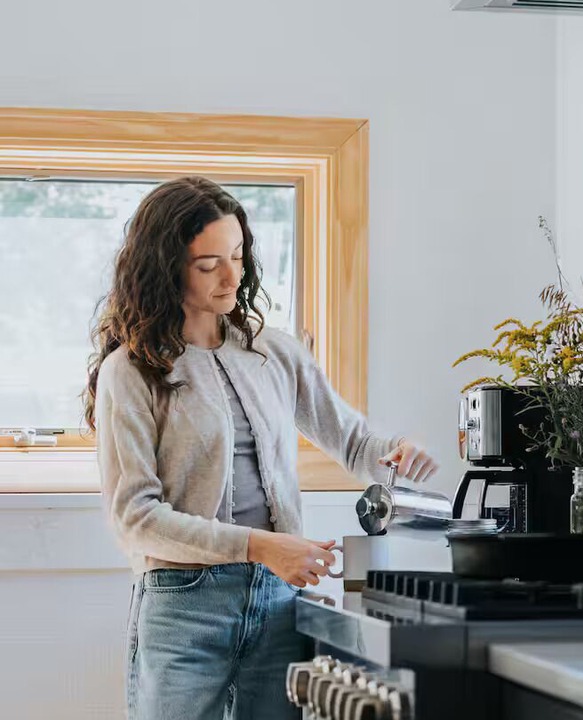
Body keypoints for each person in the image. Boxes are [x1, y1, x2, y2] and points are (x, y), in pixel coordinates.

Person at [85, 176, 438, 719]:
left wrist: (399, 452)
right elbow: (135, 518)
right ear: (166, 267)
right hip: (184, 604)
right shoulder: (130, 371)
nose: (232, 275)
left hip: (279, 600)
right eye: (209, 264)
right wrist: (261, 545)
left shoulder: (274, 351)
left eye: (238, 254)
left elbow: (353, 440)